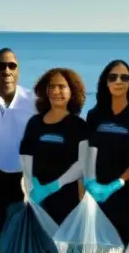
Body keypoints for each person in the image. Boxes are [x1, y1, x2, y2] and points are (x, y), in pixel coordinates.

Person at [84, 60, 129, 244]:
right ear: (105, 82)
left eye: (124, 77)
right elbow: (89, 152)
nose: (118, 81)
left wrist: (118, 183)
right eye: (113, 77)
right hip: (99, 194)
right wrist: (90, 183)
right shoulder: (95, 115)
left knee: (126, 251)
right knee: (101, 252)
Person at [20, 68, 89, 224]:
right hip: (36, 198)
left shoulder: (79, 126)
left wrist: (55, 185)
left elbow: (82, 163)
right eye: (51, 86)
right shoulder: (34, 123)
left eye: (62, 86)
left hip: (66, 201)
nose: (55, 91)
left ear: (72, 91)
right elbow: (25, 156)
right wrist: (32, 185)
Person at [0, 48, 35, 226]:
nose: (7, 71)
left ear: (18, 70)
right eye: (1, 66)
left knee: (20, 236)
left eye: (12, 66)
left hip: (23, 179)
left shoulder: (33, 101)